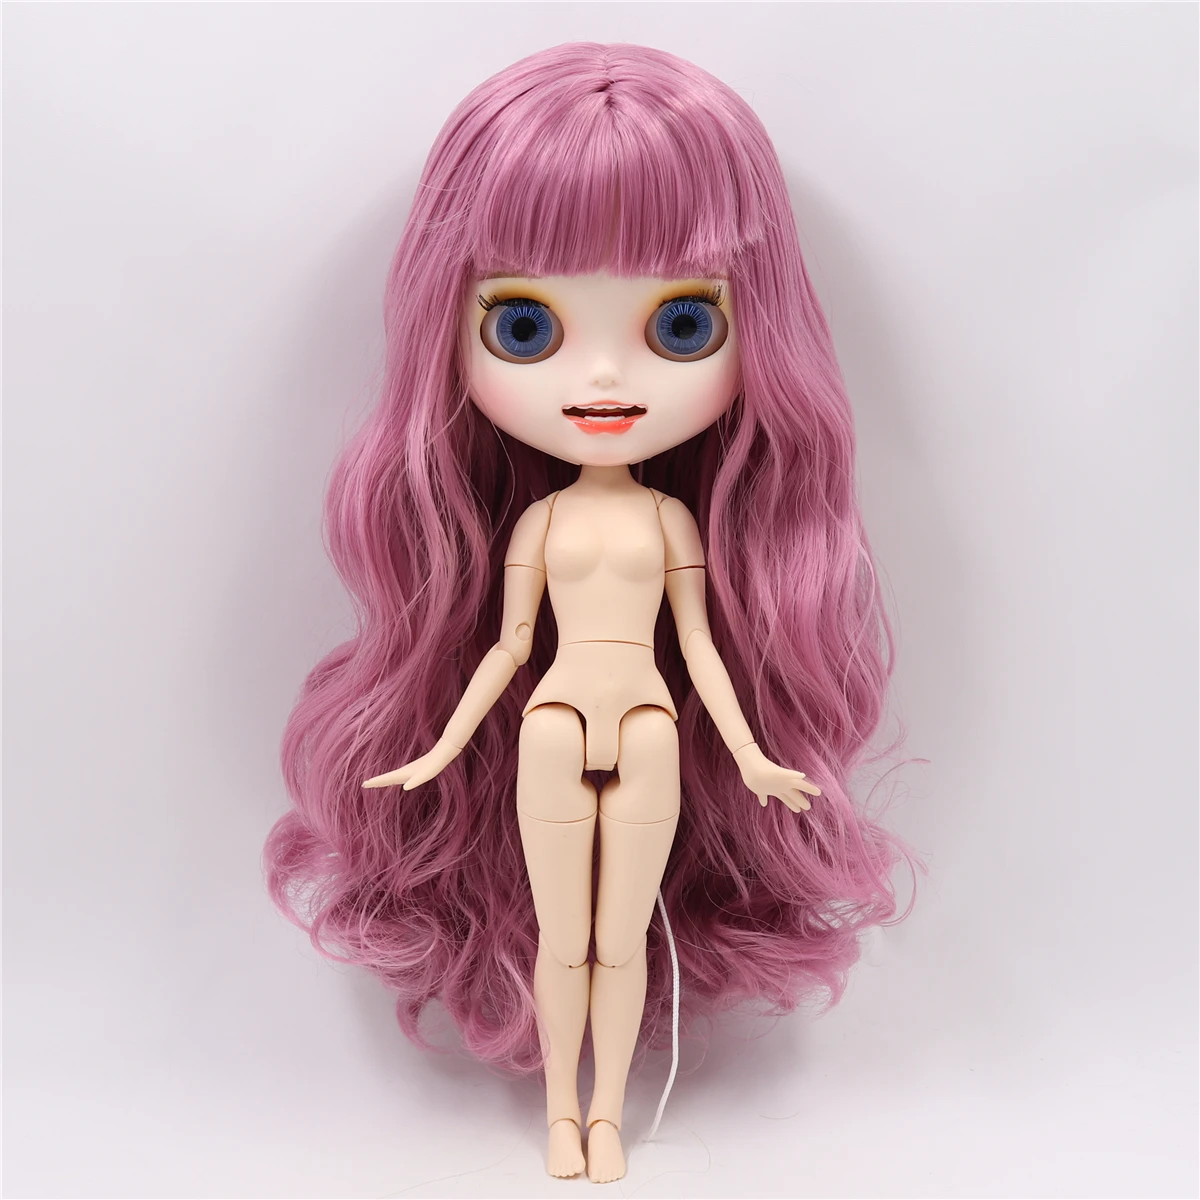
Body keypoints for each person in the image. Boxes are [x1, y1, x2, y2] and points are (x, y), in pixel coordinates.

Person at [266, 42, 910, 1185]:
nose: (604, 379)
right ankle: (564, 1116)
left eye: (679, 328)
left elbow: (700, 647)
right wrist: (439, 751)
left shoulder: (669, 525)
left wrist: (754, 756)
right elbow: (510, 648)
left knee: (621, 939)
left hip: (651, 728)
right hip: (555, 725)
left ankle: (605, 1115)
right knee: (567, 939)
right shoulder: (538, 525)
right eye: (526, 328)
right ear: (450, 326)